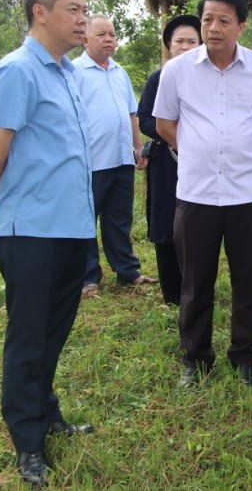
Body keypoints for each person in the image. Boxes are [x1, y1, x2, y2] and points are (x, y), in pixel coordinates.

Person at [0, 0, 96, 487]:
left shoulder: (67, 73)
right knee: (28, 335)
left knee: (53, 330)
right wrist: (0, 193)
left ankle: (47, 412)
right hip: (30, 230)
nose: (83, 19)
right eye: (73, 9)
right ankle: (27, 442)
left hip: (69, 228)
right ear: (39, 12)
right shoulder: (17, 71)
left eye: (85, 10)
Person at [154, 0, 252, 389]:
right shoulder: (176, 71)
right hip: (196, 194)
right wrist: (197, 149)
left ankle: (244, 357)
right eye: (207, 19)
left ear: (241, 27)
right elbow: (165, 125)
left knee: (249, 278)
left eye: (223, 20)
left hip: (249, 194)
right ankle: (195, 359)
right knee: (195, 281)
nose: (213, 27)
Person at [74, 15, 154, 297]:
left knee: (119, 218)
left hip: (121, 158)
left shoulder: (120, 72)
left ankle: (127, 270)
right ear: (85, 40)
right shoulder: (74, 72)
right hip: (91, 161)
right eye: (101, 35)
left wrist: (137, 147)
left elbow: (130, 113)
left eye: (112, 34)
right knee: (86, 219)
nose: (109, 39)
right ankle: (87, 277)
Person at [137, 14, 202, 306]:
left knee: (198, 224)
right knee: (166, 223)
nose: (186, 46)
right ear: (169, 45)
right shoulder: (158, 77)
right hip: (167, 161)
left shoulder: (210, 77)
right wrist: (175, 137)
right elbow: (146, 120)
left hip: (202, 162)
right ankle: (172, 294)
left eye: (192, 41)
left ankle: (197, 288)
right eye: (180, 41)